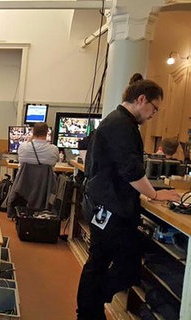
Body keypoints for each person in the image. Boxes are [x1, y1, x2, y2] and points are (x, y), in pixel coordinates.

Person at [76, 79, 180, 320]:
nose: (154, 114)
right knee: (124, 267)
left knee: (100, 263)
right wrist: (154, 194)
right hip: (111, 209)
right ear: (141, 99)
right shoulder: (122, 125)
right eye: (155, 108)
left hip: (105, 207)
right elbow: (131, 171)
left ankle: (89, 309)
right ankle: (90, 306)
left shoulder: (117, 121)